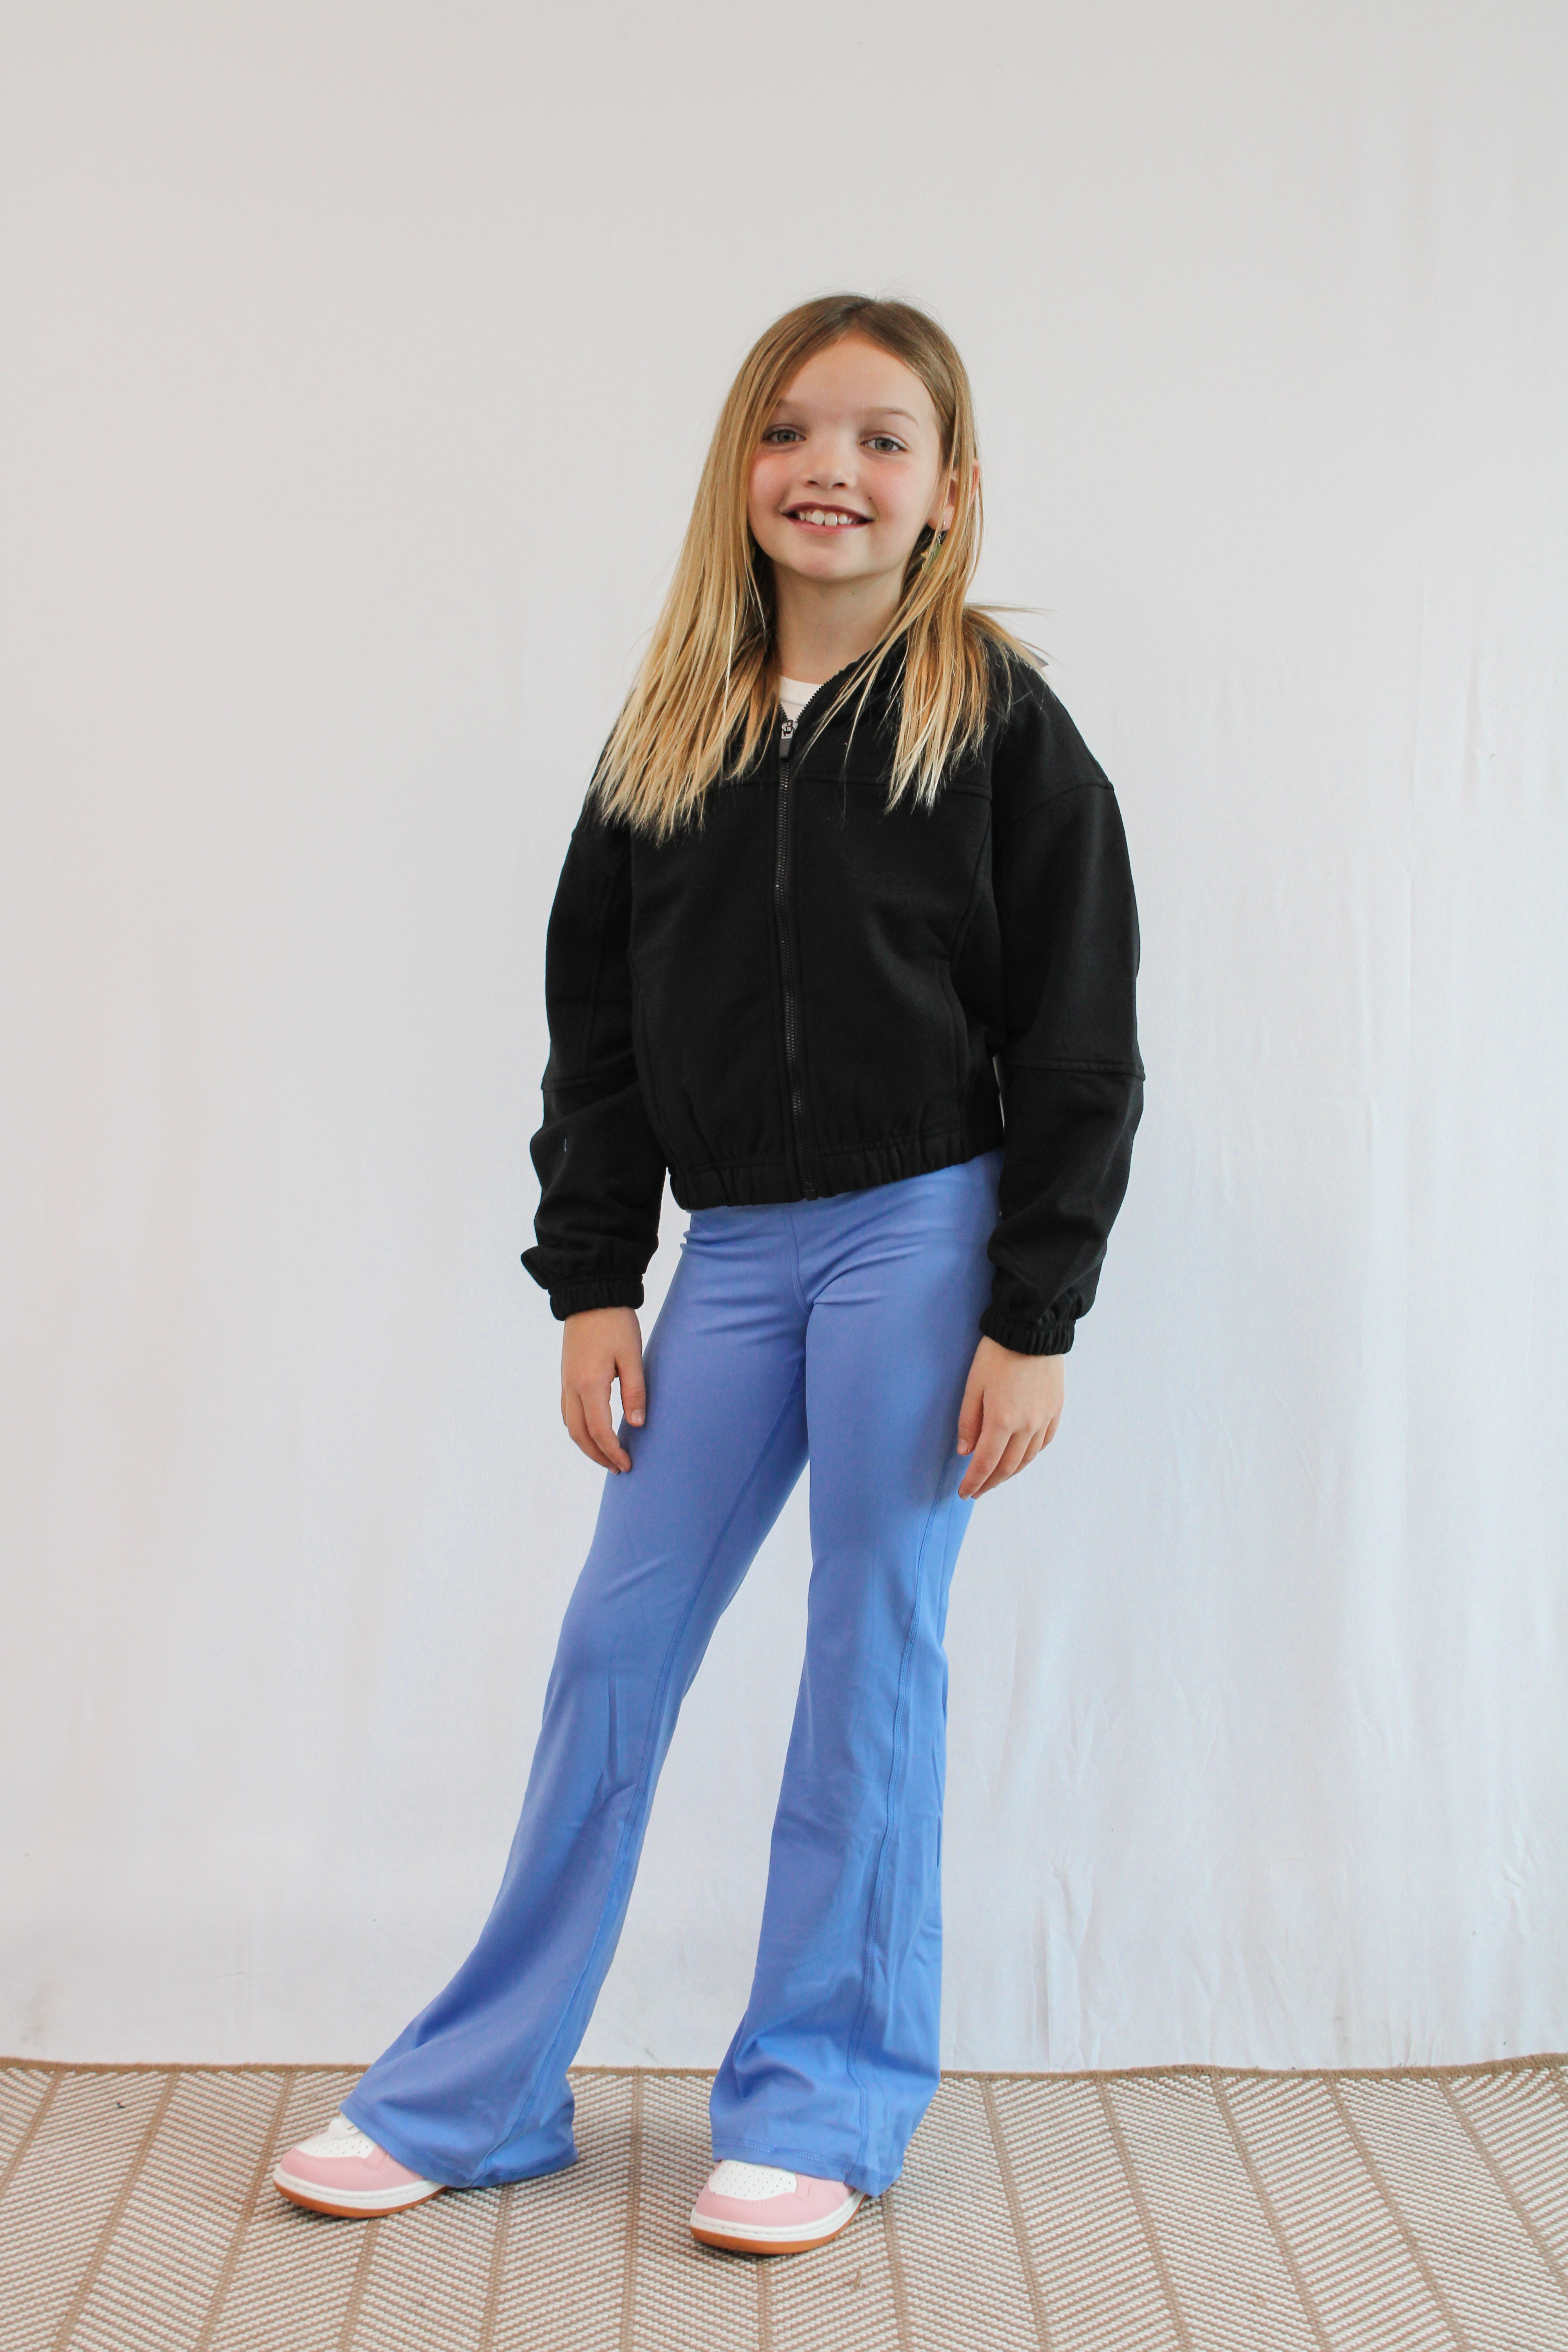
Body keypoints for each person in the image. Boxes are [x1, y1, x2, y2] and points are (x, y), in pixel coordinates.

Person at [272, 293, 1143, 2258]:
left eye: (883, 438)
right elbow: (596, 1028)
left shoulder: (996, 725)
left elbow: (1081, 1033)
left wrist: (1032, 1312)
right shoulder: (671, 729)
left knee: (867, 1655)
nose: (832, 469)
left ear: (950, 490)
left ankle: (823, 2099)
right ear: (740, 468)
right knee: (616, 1646)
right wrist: (595, 1278)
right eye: (792, 430)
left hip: (926, 1233)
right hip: (734, 1258)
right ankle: (479, 2094)